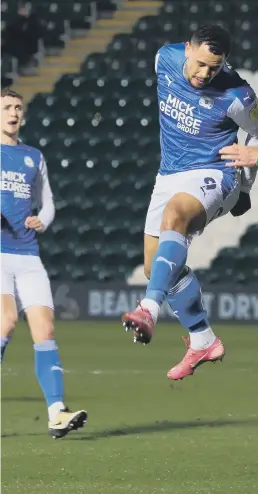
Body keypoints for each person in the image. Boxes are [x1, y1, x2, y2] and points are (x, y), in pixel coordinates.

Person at [122, 25, 258, 381]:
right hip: (168, 174)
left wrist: (252, 157)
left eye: (214, 68)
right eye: (199, 64)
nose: (204, 74)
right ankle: (203, 338)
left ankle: (149, 308)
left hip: (215, 173)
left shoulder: (238, 95)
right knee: (156, 269)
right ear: (187, 49)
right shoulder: (163, 59)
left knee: (175, 215)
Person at [0, 88, 87, 438]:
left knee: (46, 330)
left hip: (28, 254)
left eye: (18, 107)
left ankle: (56, 413)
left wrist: (42, 221)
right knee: (5, 321)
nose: (14, 112)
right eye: (7, 107)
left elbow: (47, 202)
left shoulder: (33, 156)